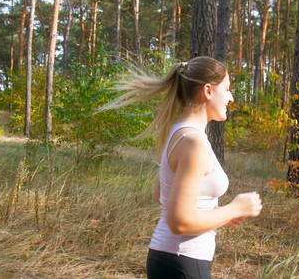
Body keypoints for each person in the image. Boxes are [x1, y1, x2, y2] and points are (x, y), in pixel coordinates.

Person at [102, 56, 262, 278]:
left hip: (170, 259)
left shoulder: (178, 132)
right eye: (227, 89)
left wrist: (219, 215)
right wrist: (235, 209)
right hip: (182, 262)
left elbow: (162, 195)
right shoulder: (193, 142)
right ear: (208, 91)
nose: (231, 98)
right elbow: (179, 221)